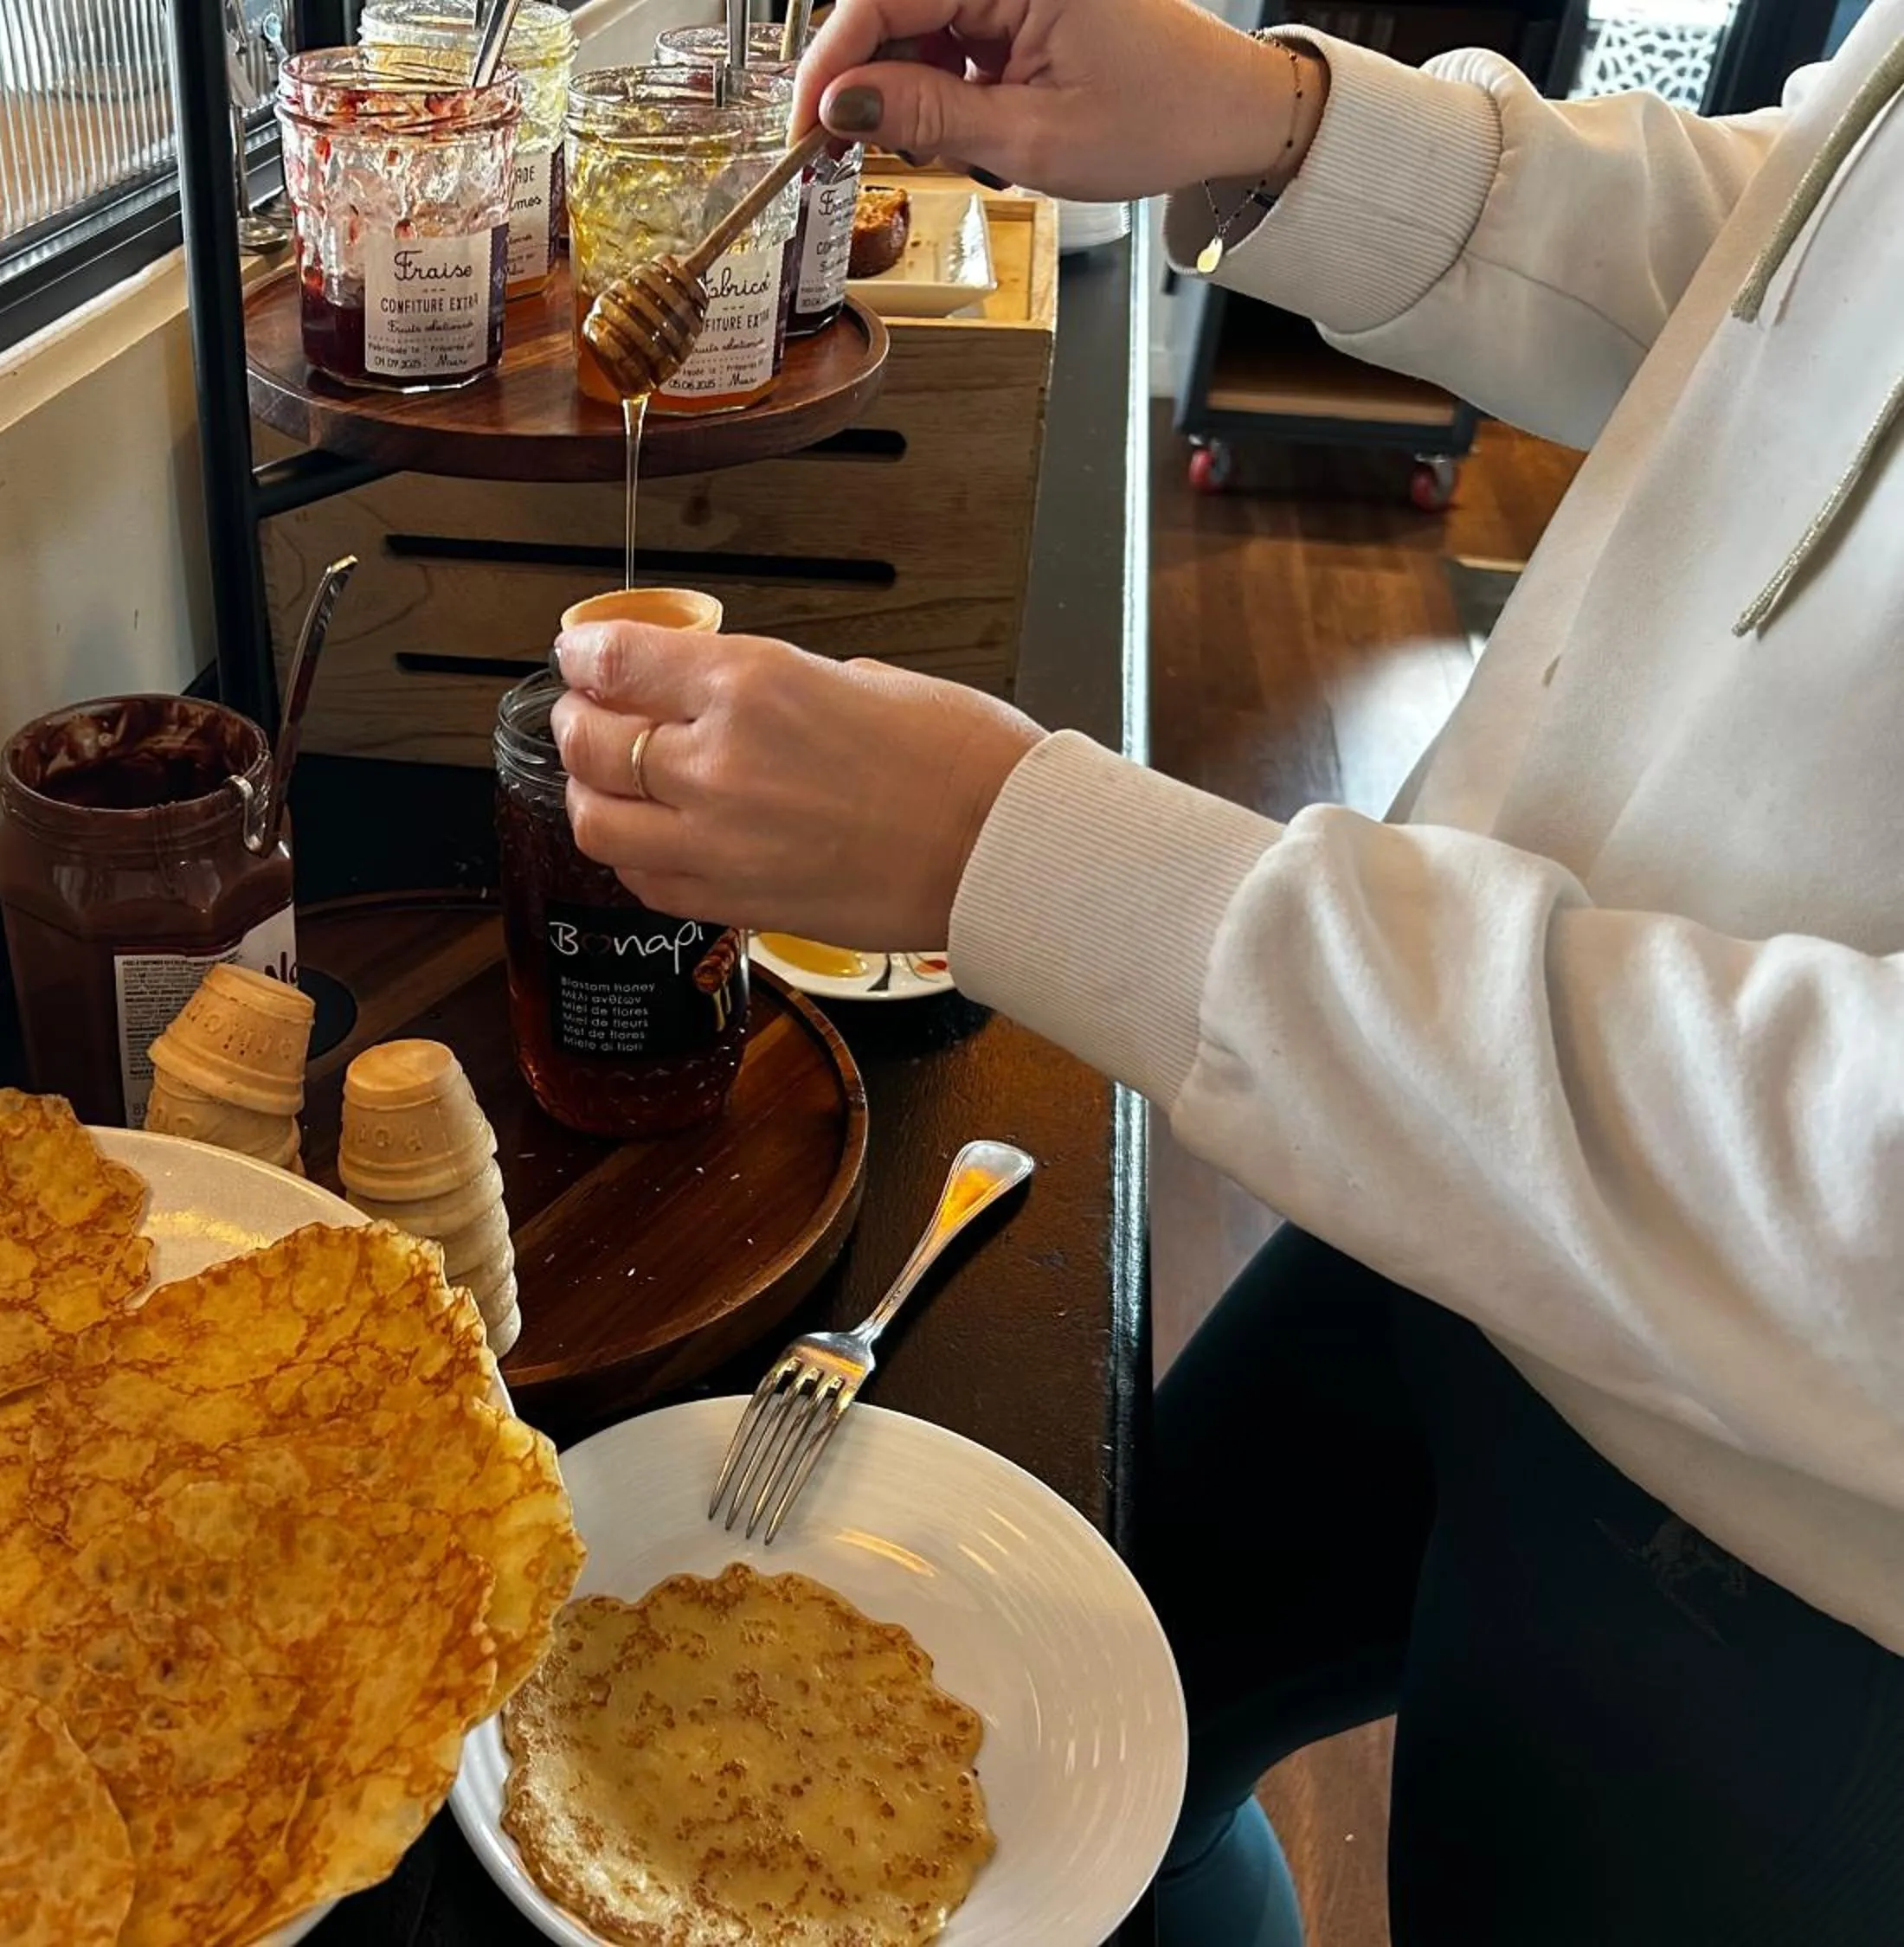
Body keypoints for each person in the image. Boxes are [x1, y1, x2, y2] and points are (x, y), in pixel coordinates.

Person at [547, 1, 1904, 1940]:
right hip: (1447, 1186)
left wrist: (1026, 857)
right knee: (1123, 1733)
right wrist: (1273, 123)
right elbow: (1807, 262)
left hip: (1799, 1546)